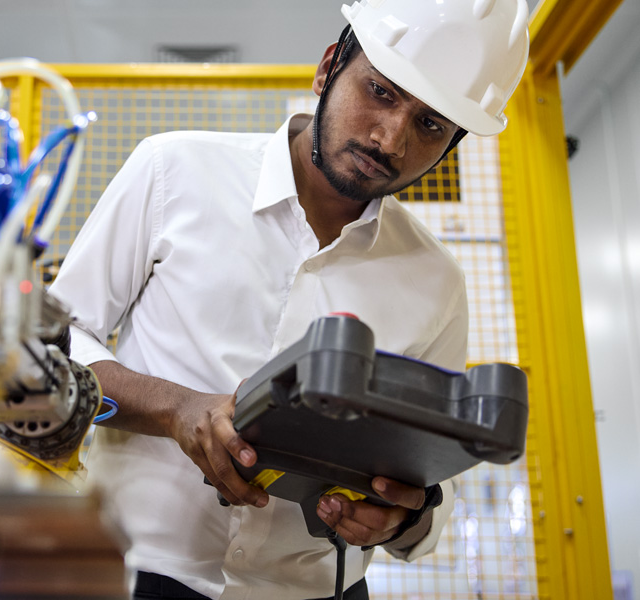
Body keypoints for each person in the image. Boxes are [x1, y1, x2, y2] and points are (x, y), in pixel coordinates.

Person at [49, 1, 530, 598]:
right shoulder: (175, 171)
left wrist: (402, 518)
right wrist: (175, 409)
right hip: (131, 568)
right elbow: (54, 346)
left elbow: (432, 476)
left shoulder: (436, 281)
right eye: (380, 91)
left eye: (431, 125)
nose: (389, 138)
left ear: (453, 143)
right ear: (329, 68)